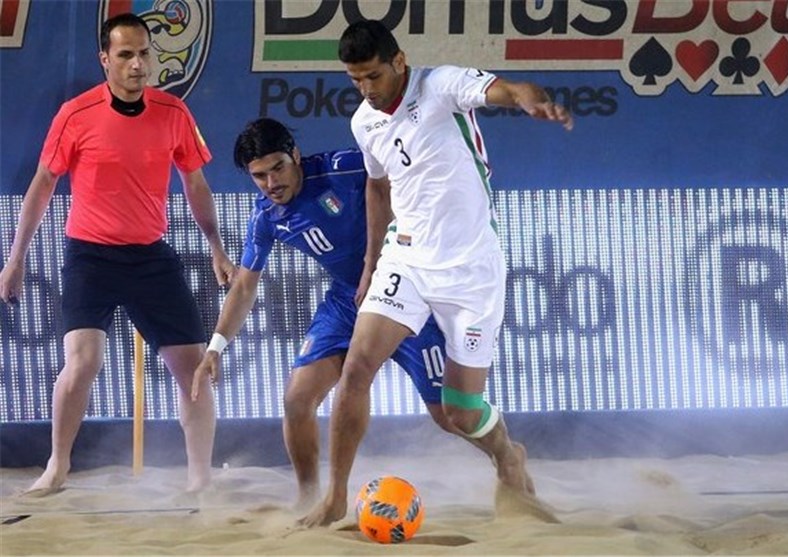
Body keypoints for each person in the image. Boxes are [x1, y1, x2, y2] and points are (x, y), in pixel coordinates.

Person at [298, 20, 573, 527]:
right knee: (356, 369)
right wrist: (370, 264)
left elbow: (509, 89)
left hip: (471, 269)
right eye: (356, 80)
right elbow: (377, 190)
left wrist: (532, 101)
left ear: (399, 61)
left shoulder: (439, 84)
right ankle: (336, 497)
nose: (366, 89)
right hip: (406, 259)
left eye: (374, 76)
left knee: (460, 412)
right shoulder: (365, 122)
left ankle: (508, 454)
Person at [192, 118, 532, 511]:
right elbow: (245, 286)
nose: (271, 183)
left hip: (407, 292)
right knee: (297, 399)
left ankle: (507, 452)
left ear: (296, 156)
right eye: (259, 176)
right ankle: (310, 499)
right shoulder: (266, 217)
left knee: (449, 415)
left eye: (278, 168)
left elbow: (403, 182)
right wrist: (216, 347)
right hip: (348, 301)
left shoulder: (349, 169)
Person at [0, 13, 235, 493]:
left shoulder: (174, 113)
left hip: (151, 255)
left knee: (193, 367)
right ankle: (57, 466)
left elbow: (196, 184)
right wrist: (15, 258)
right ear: (105, 59)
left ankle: (200, 478)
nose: (137, 64)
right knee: (83, 360)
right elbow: (43, 185)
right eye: (125, 55)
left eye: (144, 53)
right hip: (90, 256)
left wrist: (216, 247)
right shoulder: (75, 114)